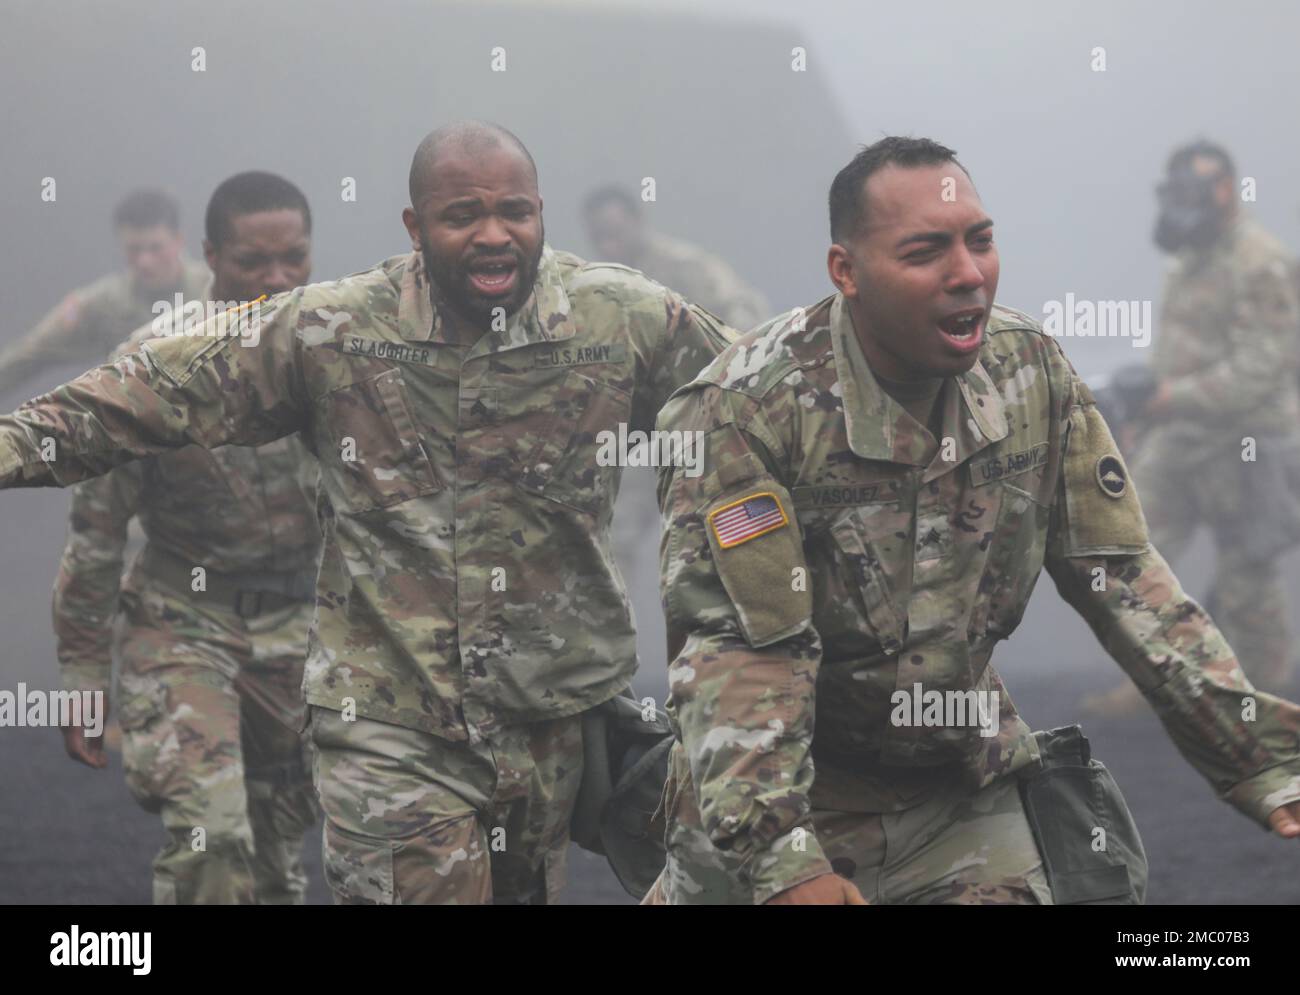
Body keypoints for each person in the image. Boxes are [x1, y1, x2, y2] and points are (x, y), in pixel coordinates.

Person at [0, 121, 735, 904]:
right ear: (415, 228)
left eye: (515, 212)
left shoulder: (620, 318)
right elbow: (143, 397)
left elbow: (756, 405)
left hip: (550, 720)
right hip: (390, 725)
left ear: (542, 213)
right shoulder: (334, 331)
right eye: (462, 217)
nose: (493, 236)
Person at [645, 137, 1300, 905]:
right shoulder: (747, 408)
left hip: (952, 792)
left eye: (980, 241)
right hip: (777, 798)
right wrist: (784, 858)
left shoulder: (1031, 374)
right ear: (846, 272)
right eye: (926, 251)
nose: (967, 274)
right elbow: (738, 653)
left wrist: (1258, 752)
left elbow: (1121, 575)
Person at [55, 171, 320, 904]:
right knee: (214, 839)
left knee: (275, 863)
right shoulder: (153, 368)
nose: (275, 280)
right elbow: (97, 532)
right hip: (182, 624)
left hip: (301, 636)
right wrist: (83, 675)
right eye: (251, 264)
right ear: (210, 256)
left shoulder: (339, 358)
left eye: (293, 260)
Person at [1084, 140, 1300, 715]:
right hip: (1182, 439)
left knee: (1247, 578)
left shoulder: (1262, 263)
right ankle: (1150, 686)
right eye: (1172, 192)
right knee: (1135, 556)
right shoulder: (1189, 260)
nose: (1181, 205)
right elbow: (1177, 352)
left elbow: (1261, 370)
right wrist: (1141, 410)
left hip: (1248, 443)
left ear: (1225, 190)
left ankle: (1266, 705)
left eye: (1193, 191)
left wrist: (1165, 397)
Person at [0, 189, 208, 399]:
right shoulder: (104, 304)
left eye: (155, 248)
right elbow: (29, 354)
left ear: (178, 241)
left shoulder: (214, 289)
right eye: (134, 249)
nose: (145, 261)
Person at [583, 185, 769, 331]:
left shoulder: (684, 266)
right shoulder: (604, 285)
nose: (606, 246)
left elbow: (741, 308)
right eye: (598, 238)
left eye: (615, 233)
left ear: (637, 220)